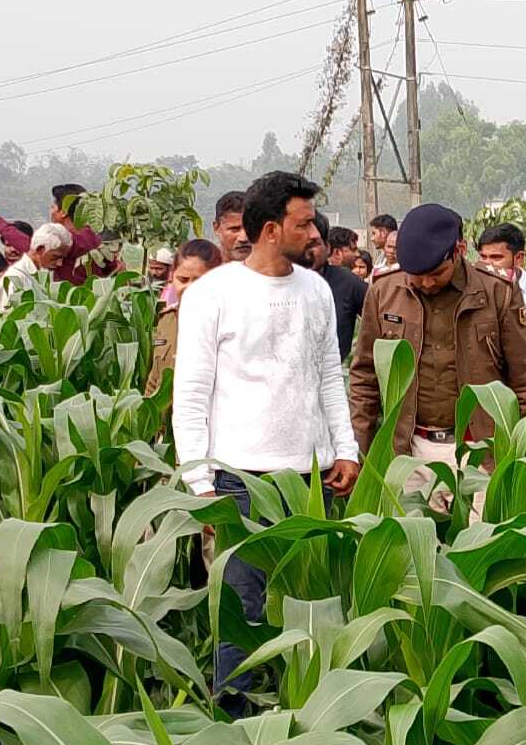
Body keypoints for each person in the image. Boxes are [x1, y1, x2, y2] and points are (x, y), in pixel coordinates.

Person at [174, 171, 360, 716]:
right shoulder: (212, 294)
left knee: (311, 608)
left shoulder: (316, 290)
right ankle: (237, 728)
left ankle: (310, 723)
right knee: (242, 614)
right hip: (239, 482)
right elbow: (191, 395)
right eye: (304, 224)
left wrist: (345, 449)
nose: (315, 234)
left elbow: (329, 376)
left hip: (309, 481)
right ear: (272, 229)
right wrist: (200, 485)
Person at [348, 204, 526, 504]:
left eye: (436, 273)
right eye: (417, 275)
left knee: (480, 533)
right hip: (408, 454)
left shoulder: (496, 290)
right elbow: (364, 377)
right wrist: (358, 451)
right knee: (412, 532)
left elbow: (524, 381)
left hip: (481, 453)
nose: (426, 283)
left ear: (458, 251)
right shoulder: (384, 291)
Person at [0, 184, 117, 285]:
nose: (51, 211)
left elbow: (34, 247)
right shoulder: (93, 237)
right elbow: (114, 267)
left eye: (53, 207)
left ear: (63, 212)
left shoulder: (70, 239)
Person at [146, 239, 223, 397]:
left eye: (199, 280)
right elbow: (154, 380)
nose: (190, 287)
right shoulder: (166, 320)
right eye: (182, 280)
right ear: (172, 277)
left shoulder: (226, 325)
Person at [310, 211, 368, 361]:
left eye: (313, 243)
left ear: (327, 247)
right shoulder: (273, 282)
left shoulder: (349, 283)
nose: (306, 250)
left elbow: (378, 320)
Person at [0, 222, 73, 311]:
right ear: (40, 249)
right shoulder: (15, 277)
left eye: (62, 258)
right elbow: (8, 315)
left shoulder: (47, 275)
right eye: (55, 257)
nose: (59, 263)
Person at [212, 191, 251, 263]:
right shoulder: (200, 268)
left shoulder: (271, 267)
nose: (243, 238)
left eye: (250, 228)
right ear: (216, 228)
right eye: (235, 229)